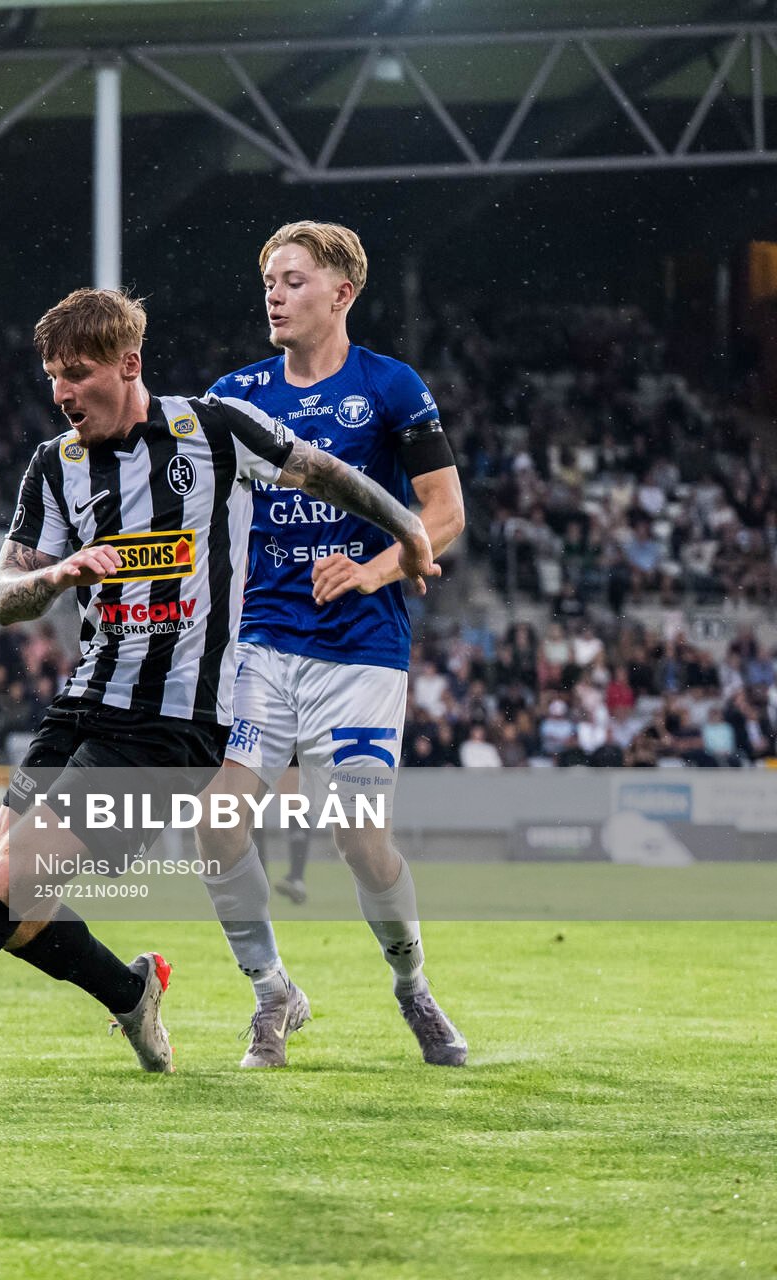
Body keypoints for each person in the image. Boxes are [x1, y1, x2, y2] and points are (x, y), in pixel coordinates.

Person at [0, 287, 435, 1075]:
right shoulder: (55, 466)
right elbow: (2, 599)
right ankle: (130, 995)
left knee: (6, 876)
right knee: (18, 911)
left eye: (78, 373)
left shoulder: (215, 430)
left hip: (175, 726)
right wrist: (59, 573)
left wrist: (405, 531)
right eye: (52, 377)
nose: (61, 393)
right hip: (85, 704)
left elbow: (326, 473)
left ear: (129, 364)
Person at [193, 222, 468, 1069]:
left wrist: (375, 568)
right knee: (216, 822)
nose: (273, 294)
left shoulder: (391, 386)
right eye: (269, 279)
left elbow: (445, 514)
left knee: (358, 836)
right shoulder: (234, 397)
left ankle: (414, 986)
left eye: (293, 280)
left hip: (360, 653)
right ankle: (272, 992)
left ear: (342, 292)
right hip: (262, 647)